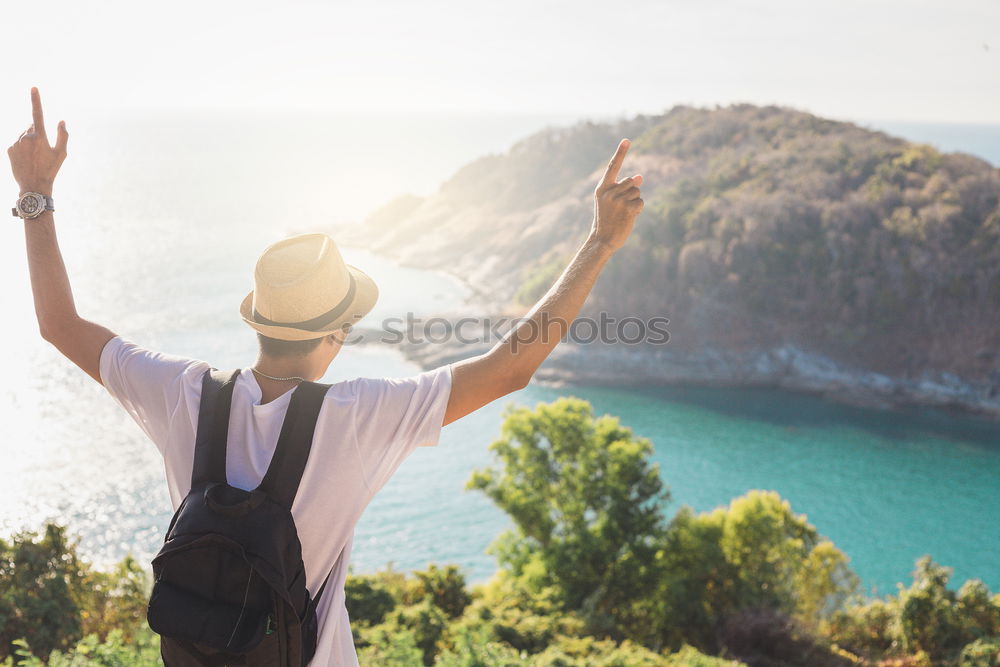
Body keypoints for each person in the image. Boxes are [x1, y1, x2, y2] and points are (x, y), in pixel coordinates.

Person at [8, 86, 644, 665]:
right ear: (337, 331)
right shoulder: (357, 416)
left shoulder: (182, 391)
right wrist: (600, 242)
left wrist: (36, 195)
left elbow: (59, 324)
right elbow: (511, 368)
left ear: (259, 318)